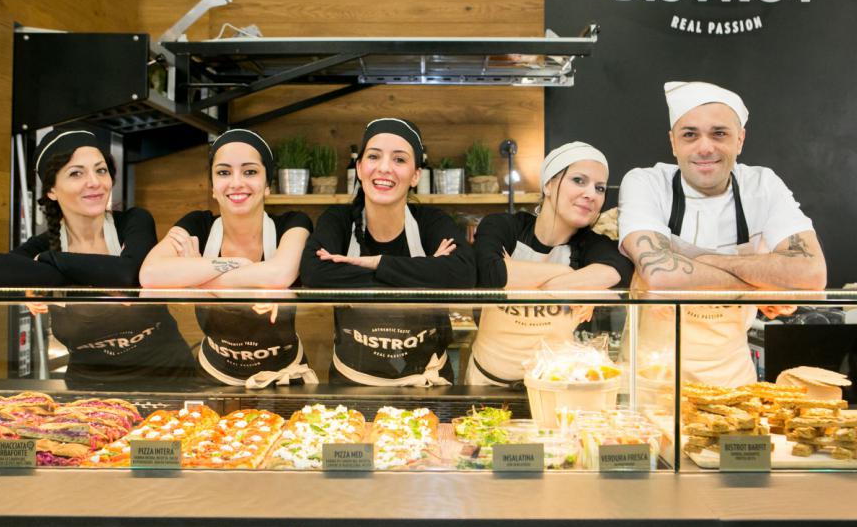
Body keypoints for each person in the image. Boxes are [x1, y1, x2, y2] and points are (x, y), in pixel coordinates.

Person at [618, 81, 827, 386]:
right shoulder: (646, 183)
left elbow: (812, 274)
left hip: (733, 383)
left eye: (719, 134)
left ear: (740, 140)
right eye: (690, 135)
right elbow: (661, 274)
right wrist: (761, 285)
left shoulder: (763, 185)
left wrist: (691, 264)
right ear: (673, 143)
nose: (705, 147)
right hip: (649, 383)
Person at [0, 127, 196, 383]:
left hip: (170, 379)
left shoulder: (133, 222)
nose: (94, 181)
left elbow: (128, 276)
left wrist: (51, 266)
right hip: (90, 392)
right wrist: (95, 274)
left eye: (100, 170)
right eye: (76, 173)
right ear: (51, 191)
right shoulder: (45, 243)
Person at [299, 118, 476, 386]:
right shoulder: (339, 220)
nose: (384, 168)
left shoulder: (431, 221)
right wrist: (427, 269)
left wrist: (375, 263)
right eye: (373, 156)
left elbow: (462, 275)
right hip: (352, 384)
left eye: (400, 160)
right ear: (359, 168)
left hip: (427, 384)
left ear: (416, 174)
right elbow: (314, 273)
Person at [139, 128, 317, 387]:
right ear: (213, 187)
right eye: (223, 172)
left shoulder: (292, 224)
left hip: (283, 380)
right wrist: (241, 268)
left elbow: (280, 274)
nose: (236, 183)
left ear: (268, 184)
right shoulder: (197, 224)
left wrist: (197, 280)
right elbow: (150, 276)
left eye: (250, 172)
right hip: (213, 377)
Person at [468, 142, 634, 386]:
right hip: (485, 383)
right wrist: (567, 274)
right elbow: (492, 272)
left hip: (553, 386)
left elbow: (621, 270)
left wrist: (522, 276)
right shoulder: (504, 227)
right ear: (548, 184)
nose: (591, 194)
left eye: (599, 188)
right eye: (579, 180)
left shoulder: (593, 245)